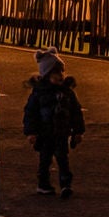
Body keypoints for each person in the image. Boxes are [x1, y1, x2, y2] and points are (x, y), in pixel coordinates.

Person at [21, 49, 86, 198]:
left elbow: (76, 112)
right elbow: (31, 113)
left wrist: (78, 131)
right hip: (45, 133)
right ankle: (43, 184)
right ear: (47, 75)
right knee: (45, 159)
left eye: (61, 72)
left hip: (62, 132)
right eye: (56, 73)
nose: (61, 76)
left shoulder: (67, 93)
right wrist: (31, 132)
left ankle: (65, 184)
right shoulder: (39, 93)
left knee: (63, 158)